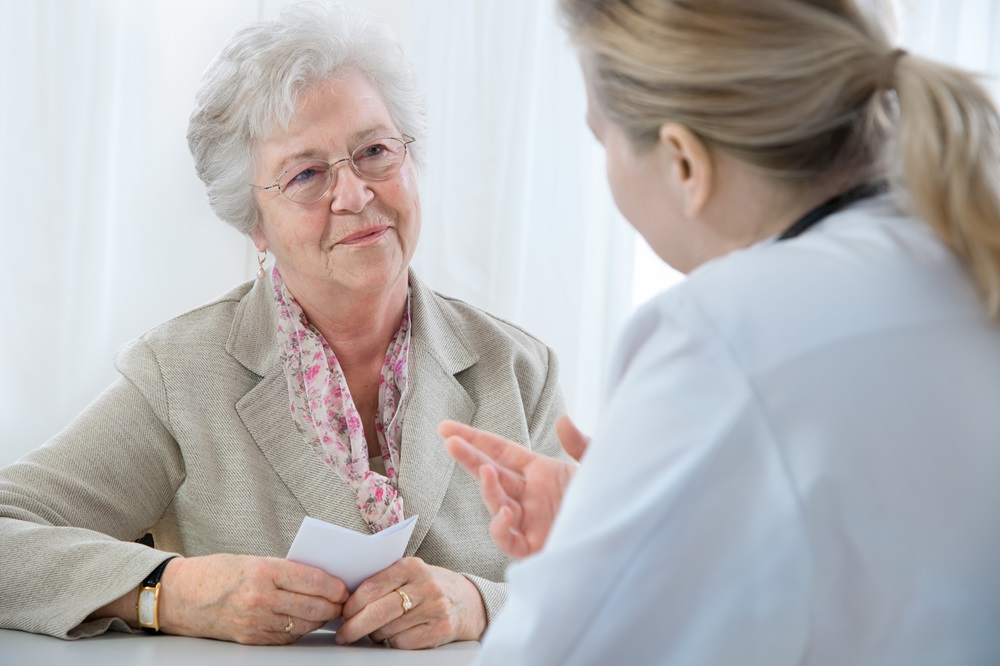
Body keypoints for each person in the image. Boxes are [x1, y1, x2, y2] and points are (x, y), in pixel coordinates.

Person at [442, 0, 1000, 663]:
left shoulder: (724, 334)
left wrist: (611, 557)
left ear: (683, 161)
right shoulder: (960, 249)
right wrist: (635, 536)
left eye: (603, 138)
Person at [0, 2, 567, 649]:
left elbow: (605, 574)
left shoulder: (520, 369)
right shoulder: (181, 373)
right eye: (305, 174)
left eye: (374, 151)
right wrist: (170, 592)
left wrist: (482, 603)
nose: (355, 195)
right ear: (255, 225)